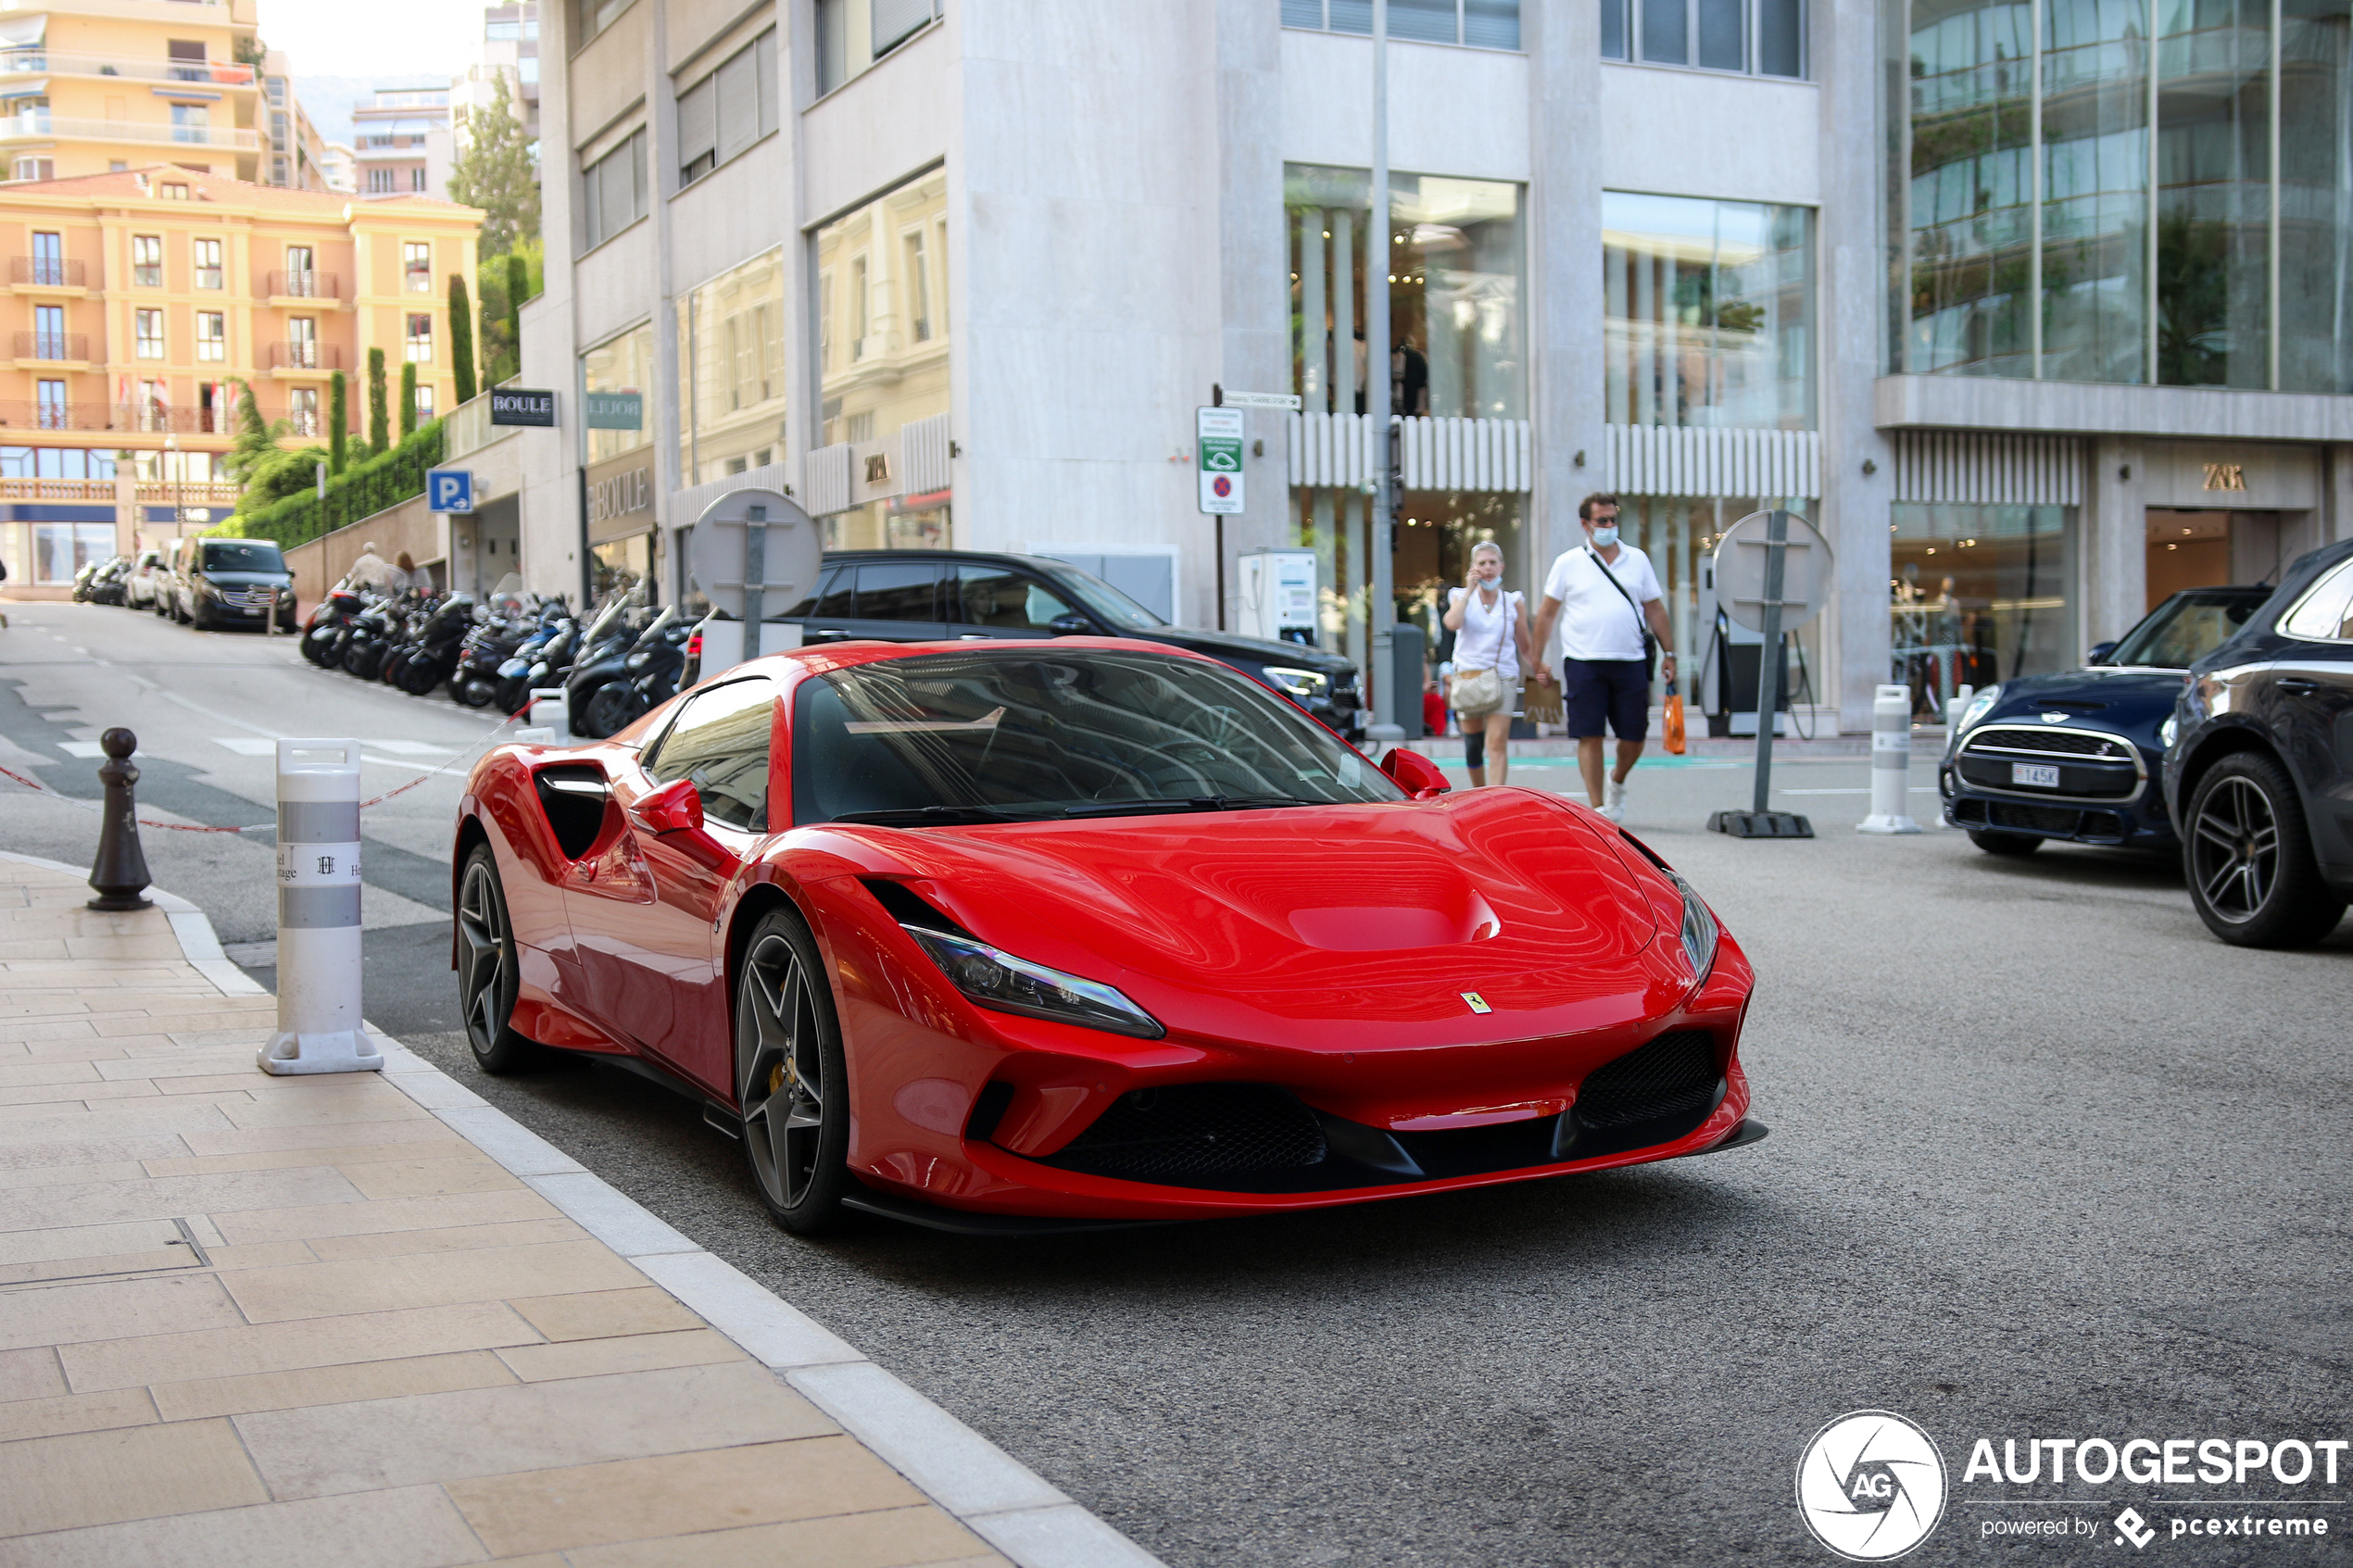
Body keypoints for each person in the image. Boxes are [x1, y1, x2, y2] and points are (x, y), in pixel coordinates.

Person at [1529, 494, 1676, 822]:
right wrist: (1537, 659)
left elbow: (1655, 608)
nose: (1610, 526)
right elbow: (1547, 614)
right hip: (1583, 660)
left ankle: (1618, 780)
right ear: (1586, 524)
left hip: (1631, 660)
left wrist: (1671, 653)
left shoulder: (1637, 559)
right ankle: (1597, 808)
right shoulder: (1568, 562)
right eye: (1603, 521)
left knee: (1634, 735)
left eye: (1613, 519)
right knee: (1589, 733)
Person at [1441, 541, 1531, 787]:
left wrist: (1539, 667)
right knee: (1473, 745)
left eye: (1492, 562)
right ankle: (1479, 794)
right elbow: (1451, 623)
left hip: (1503, 676)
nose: (1488, 568)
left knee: (1496, 742)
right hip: (1468, 676)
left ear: (1502, 566)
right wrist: (1469, 591)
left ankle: (1495, 799)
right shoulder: (1459, 597)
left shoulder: (1513, 602)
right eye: (1482, 563)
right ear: (1473, 568)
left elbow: (1525, 645)